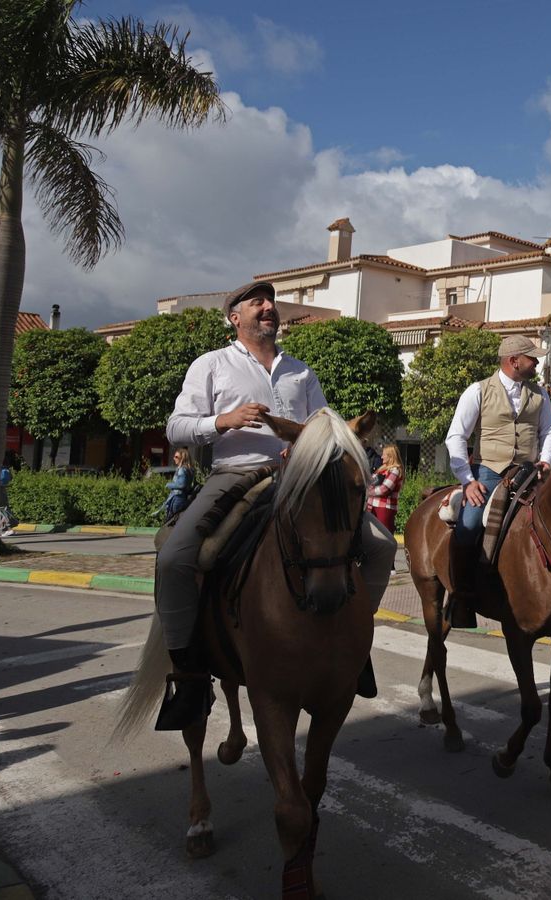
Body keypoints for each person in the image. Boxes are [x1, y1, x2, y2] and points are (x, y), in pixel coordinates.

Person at [156, 281, 397, 729]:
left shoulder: (300, 372)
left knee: (381, 545)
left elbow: (325, 426)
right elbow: (176, 427)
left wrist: (309, 443)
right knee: (174, 558)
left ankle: (355, 645)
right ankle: (187, 674)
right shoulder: (212, 365)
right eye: (257, 303)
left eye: (270, 302)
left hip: (298, 478)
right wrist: (222, 421)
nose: (268, 307)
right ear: (235, 317)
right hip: (235, 474)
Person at [443, 333, 551, 626]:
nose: (536, 364)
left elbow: (549, 432)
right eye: (532, 359)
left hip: (528, 472)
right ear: (514, 361)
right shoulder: (478, 391)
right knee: (469, 525)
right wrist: (468, 481)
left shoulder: (540, 394)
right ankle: (460, 595)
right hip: (489, 470)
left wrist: (547, 460)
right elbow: (456, 437)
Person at [368, 443, 405, 531]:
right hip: (372, 506)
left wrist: (367, 492)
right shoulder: (382, 469)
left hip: (384, 508)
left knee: (383, 534)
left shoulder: (395, 470)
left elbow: (385, 489)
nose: (381, 457)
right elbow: (370, 482)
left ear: (390, 456)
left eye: (384, 455)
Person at [161, 448, 195, 520]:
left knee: (173, 520)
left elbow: (181, 484)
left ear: (182, 458)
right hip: (183, 497)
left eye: (176, 457)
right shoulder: (189, 469)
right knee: (177, 519)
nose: (174, 458)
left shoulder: (182, 469)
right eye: (174, 456)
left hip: (178, 498)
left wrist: (168, 484)